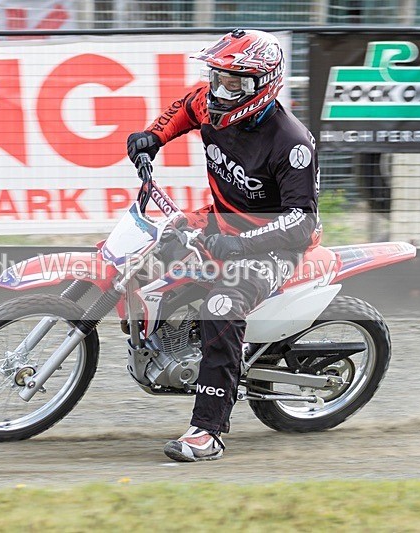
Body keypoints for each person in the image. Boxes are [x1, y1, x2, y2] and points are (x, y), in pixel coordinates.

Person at [126, 29, 321, 462]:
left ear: (262, 84)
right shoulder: (210, 103)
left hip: (273, 245)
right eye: (217, 78)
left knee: (220, 307)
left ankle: (208, 431)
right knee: (143, 254)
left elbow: (302, 221)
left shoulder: (291, 143)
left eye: (233, 82)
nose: (219, 90)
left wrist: (238, 245)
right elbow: (185, 108)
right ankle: (171, 342)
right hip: (221, 221)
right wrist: (153, 137)